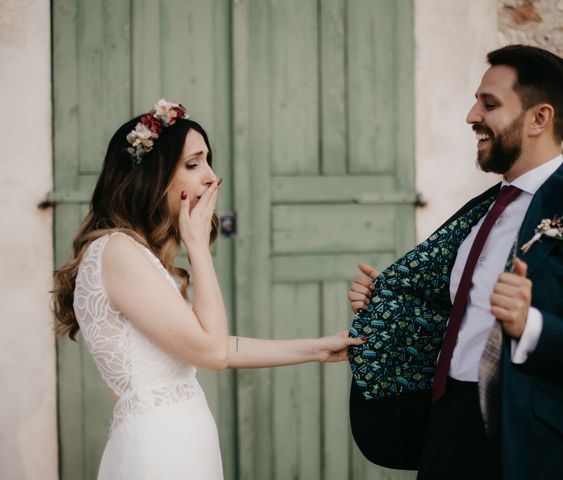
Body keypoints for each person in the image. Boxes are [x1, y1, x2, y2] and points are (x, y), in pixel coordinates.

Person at [347, 45, 563, 479]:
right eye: (475, 101)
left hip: (532, 448)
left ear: (539, 118)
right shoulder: (482, 211)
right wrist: (387, 305)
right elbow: (454, 313)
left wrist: (531, 327)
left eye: (489, 104)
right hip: (448, 427)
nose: (471, 115)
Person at [52, 99, 365, 480]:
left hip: (182, 442)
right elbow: (214, 352)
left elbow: (211, 344)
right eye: (193, 164)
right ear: (152, 174)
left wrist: (315, 348)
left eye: (208, 161)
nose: (212, 177)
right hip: (159, 452)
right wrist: (198, 247)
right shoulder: (117, 251)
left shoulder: (134, 254)